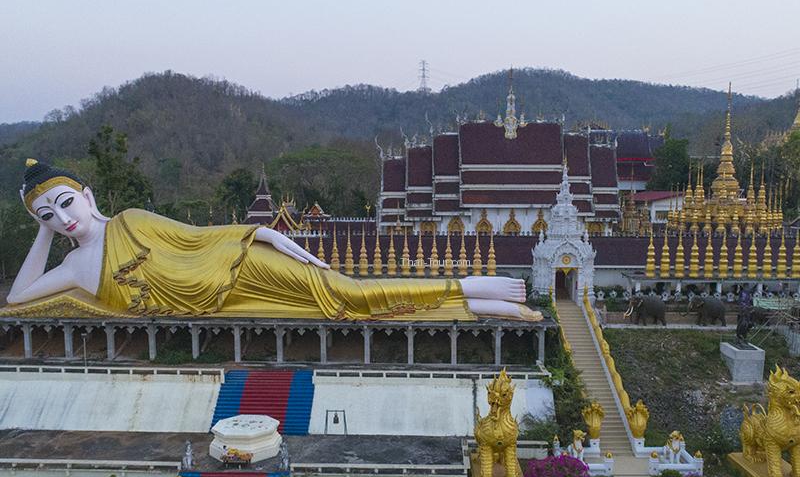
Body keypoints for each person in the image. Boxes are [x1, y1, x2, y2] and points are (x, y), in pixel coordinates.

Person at [7, 160, 540, 322]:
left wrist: (263, 232)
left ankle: (465, 286)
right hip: (229, 303)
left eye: (67, 203)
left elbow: (197, 235)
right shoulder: (78, 270)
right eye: (51, 216)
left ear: (89, 195)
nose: (65, 218)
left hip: (242, 263)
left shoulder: (132, 221)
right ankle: (469, 300)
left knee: (349, 293)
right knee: (344, 309)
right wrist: (40, 230)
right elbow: (16, 299)